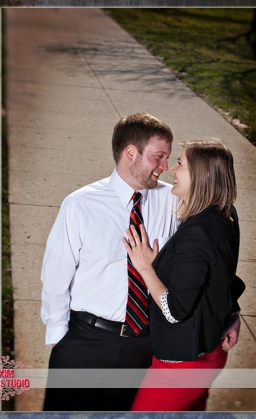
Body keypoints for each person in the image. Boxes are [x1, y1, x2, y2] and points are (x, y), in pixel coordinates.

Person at [40, 113, 241, 411]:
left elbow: (210, 263)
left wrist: (230, 313)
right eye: (159, 158)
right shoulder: (80, 204)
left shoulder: (176, 201)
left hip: (146, 344)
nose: (166, 168)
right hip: (88, 340)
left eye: (170, 159)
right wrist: (59, 335)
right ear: (130, 153)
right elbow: (56, 275)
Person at [124, 140, 244, 411]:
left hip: (181, 368)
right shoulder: (226, 214)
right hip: (209, 353)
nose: (172, 170)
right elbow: (222, 277)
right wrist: (233, 315)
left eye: (180, 163)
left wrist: (145, 268)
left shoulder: (197, 232)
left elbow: (174, 310)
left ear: (201, 176)